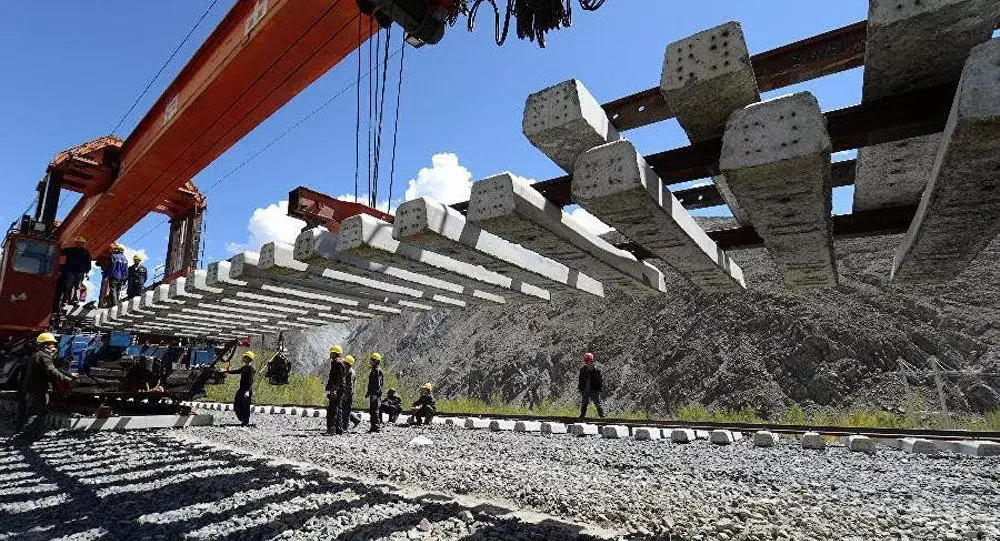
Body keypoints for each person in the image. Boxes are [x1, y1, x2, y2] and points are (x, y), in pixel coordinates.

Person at [14, 333, 78, 440]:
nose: (54, 346)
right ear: (45, 345)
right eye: (52, 344)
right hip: (38, 389)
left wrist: (70, 374)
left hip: (32, 388)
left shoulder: (37, 355)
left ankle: (24, 434)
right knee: (38, 412)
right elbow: (51, 370)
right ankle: (26, 436)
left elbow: (52, 367)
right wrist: (67, 380)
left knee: (31, 410)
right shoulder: (43, 356)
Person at [52, 237, 92, 318]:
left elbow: (88, 263)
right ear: (77, 243)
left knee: (76, 286)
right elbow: (60, 252)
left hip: (78, 272)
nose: (80, 244)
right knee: (69, 286)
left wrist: (86, 271)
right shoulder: (71, 250)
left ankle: (74, 300)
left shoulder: (85, 252)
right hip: (71, 271)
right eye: (79, 243)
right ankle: (67, 300)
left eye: (81, 243)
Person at [224, 351, 256, 426]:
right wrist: (227, 371)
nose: (243, 357)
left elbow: (251, 380)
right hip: (242, 389)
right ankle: (242, 418)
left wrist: (248, 391)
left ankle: (245, 420)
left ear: (249, 358)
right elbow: (237, 371)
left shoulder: (251, 368)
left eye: (245, 356)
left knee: (245, 405)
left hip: (247, 390)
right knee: (237, 403)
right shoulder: (244, 367)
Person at [325, 345, 346, 435]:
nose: (330, 353)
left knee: (332, 409)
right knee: (338, 408)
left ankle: (331, 429)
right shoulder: (336, 362)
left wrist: (334, 389)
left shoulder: (338, 363)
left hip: (336, 389)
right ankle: (339, 429)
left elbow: (339, 379)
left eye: (332, 352)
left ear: (336, 353)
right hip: (337, 388)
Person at [578, 352, 605, 419]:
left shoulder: (596, 370)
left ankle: (602, 417)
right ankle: (582, 416)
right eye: (586, 361)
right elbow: (580, 380)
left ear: (592, 360)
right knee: (584, 404)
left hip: (594, 390)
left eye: (589, 360)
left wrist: (599, 390)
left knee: (598, 404)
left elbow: (600, 381)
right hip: (585, 390)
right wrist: (580, 389)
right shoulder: (583, 370)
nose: (588, 362)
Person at [340, 355, 362, 431]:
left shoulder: (350, 373)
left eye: (344, 362)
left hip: (348, 395)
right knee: (345, 410)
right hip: (346, 394)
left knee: (346, 411)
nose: (343, 363)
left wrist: (346, 396)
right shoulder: (347, 371)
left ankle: (345, 427)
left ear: (347, 363)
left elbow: (350, 387)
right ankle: (356, 420)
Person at [365, 352, 384, 432]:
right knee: (373, 410)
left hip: (375, 394)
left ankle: (376, 427)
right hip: (374, 393)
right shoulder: (374, 369)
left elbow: (378, 384)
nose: (370, 361)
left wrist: (374, 394)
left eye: (371, 359)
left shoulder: (376, 370)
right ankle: (374, 427)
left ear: (375, 361)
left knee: (374, 410)